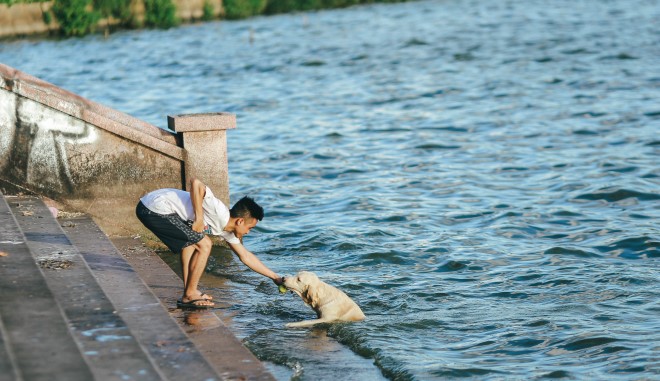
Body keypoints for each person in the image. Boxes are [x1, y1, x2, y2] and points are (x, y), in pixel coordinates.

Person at [135, 177, 282, 308]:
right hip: (153, 208)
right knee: (205, 243)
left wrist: (275, 277)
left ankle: (188, 293)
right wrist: (199, 219)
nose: (248, 232)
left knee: (192, 243)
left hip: (151, 208)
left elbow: (245, 256)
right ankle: (191, 293)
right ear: (240, 221)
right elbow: (196, 183)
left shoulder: (227, 231)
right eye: (249, 228)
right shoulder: (219, 211)